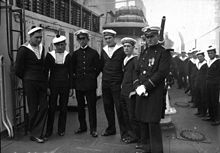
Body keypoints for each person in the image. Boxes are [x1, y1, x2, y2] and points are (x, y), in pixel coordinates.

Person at [133, 26, 171, 153]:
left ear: (157, 37)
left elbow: (161, 73)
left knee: (153, 124)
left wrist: (145, 86)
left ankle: (156, 150)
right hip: (141, 92)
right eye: (147, 37)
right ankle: (145, 147)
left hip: (154, 93)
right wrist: (137, 85)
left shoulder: (163, 53)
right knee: (142, 121)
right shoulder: (144, 52)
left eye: (151, 37)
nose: (149, 39)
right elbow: (137, 71)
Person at [14, 26, 48, 143]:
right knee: (33, 108)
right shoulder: (23, 49)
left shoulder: (42, 48)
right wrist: (27, 78)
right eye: (36, 37)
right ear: (30, 37)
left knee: (44, 106)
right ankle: (35, 134)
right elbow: (17, 69)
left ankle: (36, 131)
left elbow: (43, 66)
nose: (39, 40)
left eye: (40, 37)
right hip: (30, 82)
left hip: (42, 82)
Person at [71, 29, 100, 137]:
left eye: (83, 38)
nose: (82, 41)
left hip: (90, 85)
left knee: (92, 107)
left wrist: (92, 77)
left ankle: (93, 129)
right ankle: (82, 126)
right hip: (79, 85)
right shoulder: (75, 54)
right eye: (79, 39)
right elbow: (73, 69)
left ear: (88, 39)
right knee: (80, 107)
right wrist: (75, 82)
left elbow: (98, 68)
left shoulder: (94, 53)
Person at [43, 35, 73, 140]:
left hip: (65, 85)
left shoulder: (68, 56)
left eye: (63, 44)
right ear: (55, 45)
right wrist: (47, 87)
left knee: (63, 108)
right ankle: (49, 131)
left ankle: (61, 129)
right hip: (53, 85)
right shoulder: (50, 56)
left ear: (65, 44)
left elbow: (70, 72)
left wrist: (71, 88)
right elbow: (46, 72)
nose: (61, 47)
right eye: (59, 45)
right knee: (51, 108)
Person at [100, 29, 126, 136]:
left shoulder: (121, 50)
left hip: (117, 83)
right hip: (106, 83)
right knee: (107, 106)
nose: (108, 40)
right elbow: (102, 65)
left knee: (120, 108)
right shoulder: (103, 50)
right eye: (106, 38)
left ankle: (124, 132)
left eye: (109, 38)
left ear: (114, 38)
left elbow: (125, 66)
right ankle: (111, 129)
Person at [119, 37, 139, 143]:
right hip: (124, 91)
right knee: (125, 114)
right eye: (124, 46)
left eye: (128, 46)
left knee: (132, 116)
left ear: (133, 48)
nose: (126, 48)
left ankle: (135, 136)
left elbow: (137, 75)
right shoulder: (125, 59)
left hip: (130, 92)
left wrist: (135, 90)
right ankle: (129, 134)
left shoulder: (135, 59)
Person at [204, 46, 220, 126]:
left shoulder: (218, 62)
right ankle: (211, 116)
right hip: (208, 84)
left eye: (211, 53)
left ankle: (217, 119)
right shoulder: (208, 61)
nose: (210, 54)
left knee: (215, 102)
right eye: (209, 53)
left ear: (215, 53)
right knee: (209, 100)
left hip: (215, 85)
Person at [194, 50, 208, 117]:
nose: (199, 58)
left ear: (204, 57)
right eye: (198, 57)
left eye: (201, 56)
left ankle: (204, 112)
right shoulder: (197, 64)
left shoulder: (206, 64)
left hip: (204, 83)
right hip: (197, 83)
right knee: (198, 97)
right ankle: (199, 111)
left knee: (203, 98)